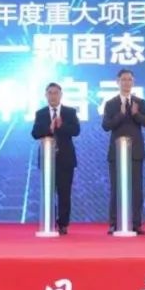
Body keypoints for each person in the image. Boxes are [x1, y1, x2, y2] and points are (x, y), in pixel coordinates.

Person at [101, 68, 145, 235]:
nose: (126, 82)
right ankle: (115, 223)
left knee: (136, 189)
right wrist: (121, 114)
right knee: (117, 188)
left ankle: (136, 223)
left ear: (133, 82)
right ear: (118, 82)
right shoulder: (111, 103)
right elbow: (106, 126)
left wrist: (136, 115)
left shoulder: (140, 102)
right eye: (123, 79)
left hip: (135, 151)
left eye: (129, 79)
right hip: (117, 152)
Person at [31, 82, 82, 235]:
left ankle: (63, 224)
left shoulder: (69, 112)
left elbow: (76, 131)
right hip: (47, 159)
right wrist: (50, 128)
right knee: (48, 192)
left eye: (56, 93)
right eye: (50, 93)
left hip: (65, 159)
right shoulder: (40, 113)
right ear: (46, 95)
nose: (53, 96)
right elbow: (35, 133)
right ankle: (49, 221)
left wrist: (61, 126)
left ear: (61, 95)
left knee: (64, 193)